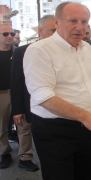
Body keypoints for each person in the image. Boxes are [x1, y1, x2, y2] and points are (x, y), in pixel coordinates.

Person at [23, 2, 91, 179]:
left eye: (84, 22)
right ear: (57, 23)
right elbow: (43, 96)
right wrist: (87, 117)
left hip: (87, 129)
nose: (80, 27)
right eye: (73, 20)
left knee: (86, 175)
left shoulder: (86, 48)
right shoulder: (39, 50)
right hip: (56, 131)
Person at [10, 14, 56, 171]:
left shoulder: (62, 51)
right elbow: (16, 82)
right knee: (25, 131)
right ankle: (25, 158)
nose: (56, 34)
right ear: (40, 30)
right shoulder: (22, 51)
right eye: (52, 30)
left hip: (55, 107)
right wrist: (17, 110)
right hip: (29, 103)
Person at [0, 25, 16, 169]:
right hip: (2, 94)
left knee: (24, 126)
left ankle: (26, 156)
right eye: (5, 33)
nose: (9, 36)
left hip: (18, 93)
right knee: (1, 126)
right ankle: (4, 153)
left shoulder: (18, 52)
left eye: (12, 33)